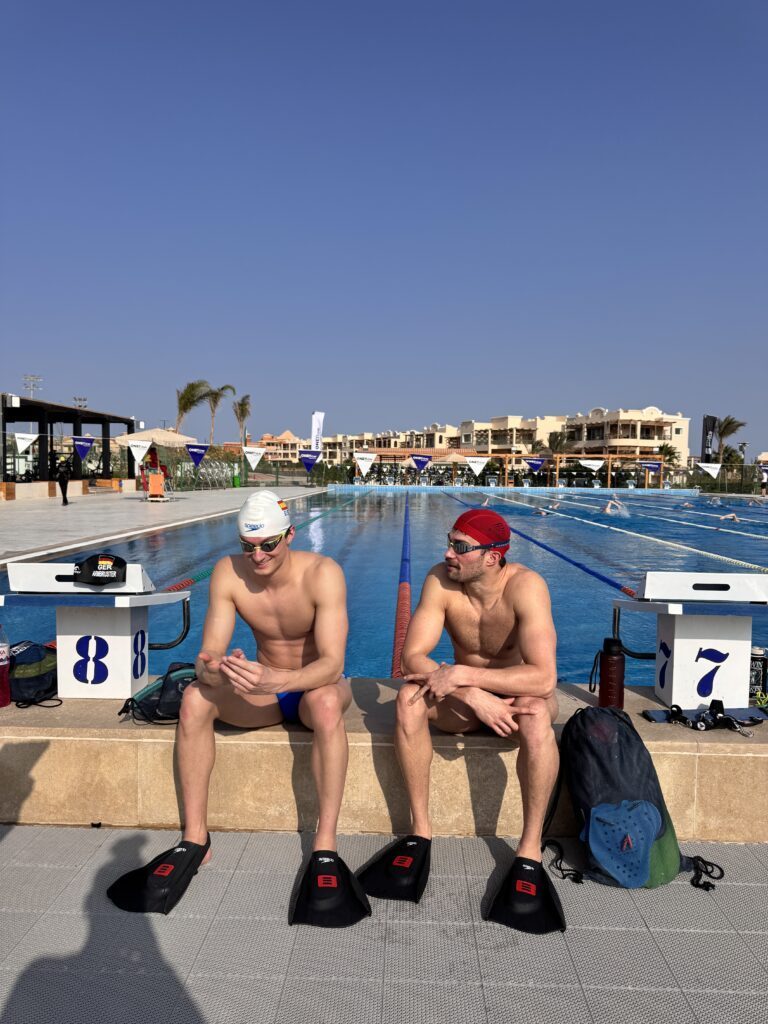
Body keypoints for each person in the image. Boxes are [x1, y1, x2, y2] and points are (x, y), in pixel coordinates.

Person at [107, 491, 369, 926]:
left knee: (324, 705)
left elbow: (332, 664)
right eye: (248, 547)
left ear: (290, 535)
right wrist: (219, 672)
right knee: (194, 698)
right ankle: (196, 839)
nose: (258, 556)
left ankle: (325, 843)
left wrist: (279, 679)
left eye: (268, 545)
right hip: (263, 689)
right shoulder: (228, 573)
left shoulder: (324, 573)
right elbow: (206, 657)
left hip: (312, 686)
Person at [358, 508, 564, 933]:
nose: (447, 553)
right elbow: (411, 657)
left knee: (539, 712)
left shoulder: (526, 587)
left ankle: (529, 850)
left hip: (511, 704)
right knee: (410, 700)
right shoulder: (440, 581)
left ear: (491, 557)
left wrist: (466, 675)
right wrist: (469, 692)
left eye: (459, 546)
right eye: (449, 542)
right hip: (466, 703)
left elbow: (544, 677)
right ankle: (420, 832)